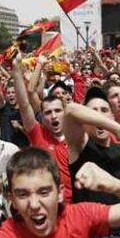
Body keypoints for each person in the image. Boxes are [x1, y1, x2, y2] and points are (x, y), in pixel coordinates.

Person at [64, 87, 120, 238]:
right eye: (93, 111)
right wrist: (114, 126)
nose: (100, 115)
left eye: (104, 110)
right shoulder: (79, 147)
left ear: (112, 114)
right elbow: (70, 110)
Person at [12, 52, 73, 203]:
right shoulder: (38, 133)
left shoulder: (77, 136)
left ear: (65, 112)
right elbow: (25, 104)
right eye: (48, 112)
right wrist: (16, 70)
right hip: (45, 207)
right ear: (42, 117)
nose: (53, 116)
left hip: (74, 206)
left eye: (57, 111)